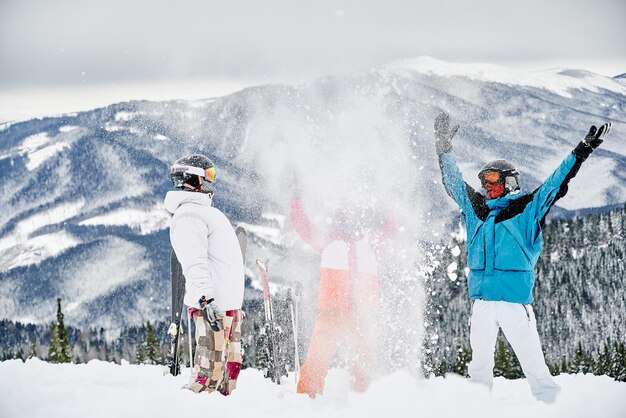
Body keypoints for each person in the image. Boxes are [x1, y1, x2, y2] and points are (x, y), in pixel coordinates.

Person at [433, 111, 612, 402]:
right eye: (484, 182)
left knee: (535, 369)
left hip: (514, 305)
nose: (487, 187)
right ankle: (476, 408)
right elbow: (453, 182)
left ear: (510, 183)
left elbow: (556, 183)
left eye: (493, 181)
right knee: (478, 369)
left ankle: (551, 405)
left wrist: (582, 151)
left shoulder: (527, 210)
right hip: (481, 304)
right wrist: (443, 148)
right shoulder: (476, 210)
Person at [291, 192, 398, 397]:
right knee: (317, 358)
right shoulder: (328, 241)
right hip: (331, 312)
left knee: (364, 362)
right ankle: (306, 399)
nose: (348, 221)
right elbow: (301, 225)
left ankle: (363, 399)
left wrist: (396, 200)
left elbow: (392, 229)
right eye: (344, 217)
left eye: (352, 216)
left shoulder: (370, 244)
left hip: (362, 315)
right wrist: (297, 198)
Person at [164, 154, 245, 395]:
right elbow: (193, 264)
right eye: (209, 176)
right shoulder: (189, 215)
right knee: (209, 377)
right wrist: (206, 300)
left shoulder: (203, 211)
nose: (212, 181)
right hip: (213, 308)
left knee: (228, 378)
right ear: (194, 178)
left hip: (227, 307)